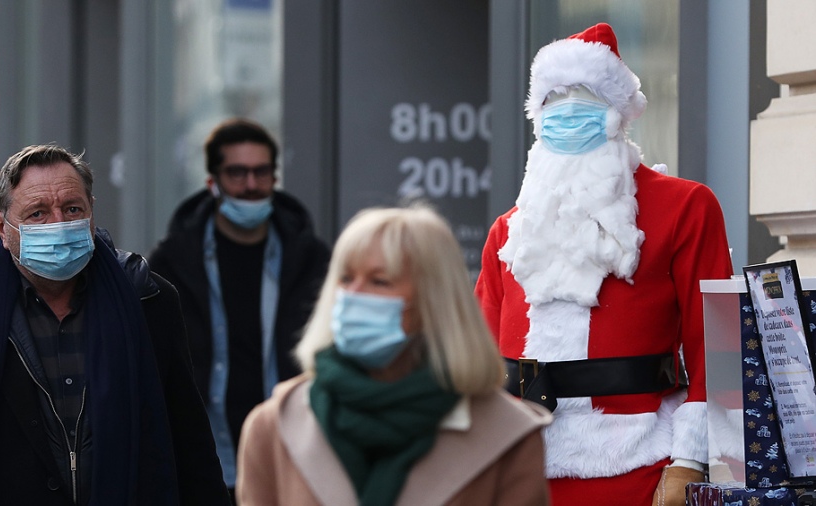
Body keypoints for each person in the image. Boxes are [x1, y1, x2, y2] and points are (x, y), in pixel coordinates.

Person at [474, 22, 735, 506]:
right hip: (519, 473)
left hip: (640, 466)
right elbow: (474, 358)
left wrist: (690, 461)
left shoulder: (685, 207)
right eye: (554, 99)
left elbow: (716, 343)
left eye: (586, 95)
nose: (568, 110)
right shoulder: (507, 232)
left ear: (618, 110)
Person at [0, 144, 230, 505]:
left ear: (91, 211)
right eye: (37, 213)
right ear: (2, 226)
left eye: (72, 209)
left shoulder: (147, 301)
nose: (59, 224)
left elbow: (190, 442)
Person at [236, 205, 552, 506]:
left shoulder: (507, 435)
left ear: (433, 302)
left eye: (379, 281)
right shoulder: (274, 427)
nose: (353, 295)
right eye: (345, 278)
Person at [147, 117, 331, 499]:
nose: (251, 185)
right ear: (212, 182)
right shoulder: (173, 261)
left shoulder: (311, 259)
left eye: (261, 172)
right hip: (206, 460)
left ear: (275, 177)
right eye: (237, 173)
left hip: (293, 452)